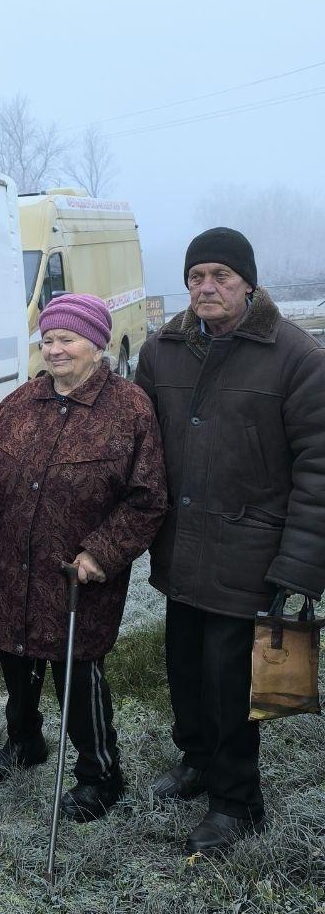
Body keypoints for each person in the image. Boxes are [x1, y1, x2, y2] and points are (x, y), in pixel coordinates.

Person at [136, 228, 325, 854]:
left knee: (230, 681)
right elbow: (138, 443)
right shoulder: (162, 350)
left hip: (252, 550)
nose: (207, 287)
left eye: (220, 275)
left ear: (248, 281)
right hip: (180, 546)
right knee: (184, 669)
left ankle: (237, 801)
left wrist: (299, 563)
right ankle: (195, 762)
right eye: (196, 277)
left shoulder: (294, 355)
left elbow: (318, 465)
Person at [0, 293, 167, 821]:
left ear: (97, 344)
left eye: (68, 339)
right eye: (49, 339)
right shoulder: (21, 401)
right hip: (13, 565)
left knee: (76, 674)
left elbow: (147, 497)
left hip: (78, 575)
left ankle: (101, 773)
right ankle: (25, 741)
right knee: (16, 658)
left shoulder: (128, 408)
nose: (55, 349)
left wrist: (101, 553)